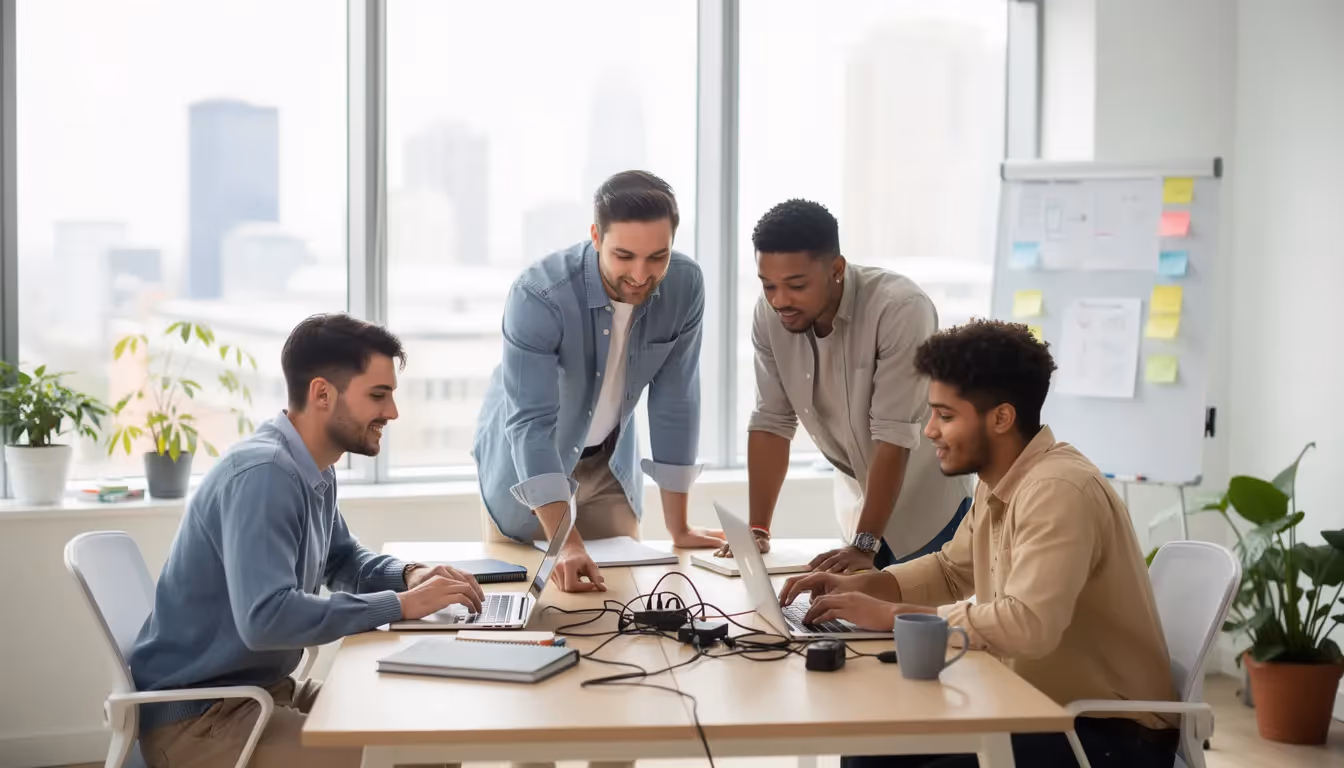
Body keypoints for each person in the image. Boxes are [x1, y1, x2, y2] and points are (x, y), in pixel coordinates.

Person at [779, 319, 1180, 767]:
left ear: (1002, 418)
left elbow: (1027, 624)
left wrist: (893, 616)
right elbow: (951, 569)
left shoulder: (1058, 490)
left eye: (946, 415)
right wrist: (864, 585)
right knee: (871, 753)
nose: (930, 430)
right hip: (1035, 705)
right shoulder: (1002, 479)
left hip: (1109, 734)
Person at [130, 314, 484, 768]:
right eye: (378, 395)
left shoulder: (311, 467)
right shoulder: (266, 475)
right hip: (201, 722)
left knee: (425, 731)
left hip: (259, 697)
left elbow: (342, 559)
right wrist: (400, 605)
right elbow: (267, 617)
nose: (392, 412)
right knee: (393, 752)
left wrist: (409, 576)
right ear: (322, 394)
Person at [474, 170, 723, 594]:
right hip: (530, 465)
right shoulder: (539, 294)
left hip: (610, 467)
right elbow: (529, 424)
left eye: (657, 257)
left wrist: (678, 526)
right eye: (624, 256)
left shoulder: (684, 285)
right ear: (595, 236)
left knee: (625, 602)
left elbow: (676, 400)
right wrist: (564, 543)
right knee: (538, 605)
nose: (641, 275)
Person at [720, 199, 973, 571]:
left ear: (836, 269)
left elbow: (893, 435)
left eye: (796, 285)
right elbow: (772, 422)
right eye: (768, 285)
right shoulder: (770, 314)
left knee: (915, 627)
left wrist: (864, 545)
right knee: (850, 625)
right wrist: (758, 530)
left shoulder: (900, 309)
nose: (779, 300)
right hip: (859, 514)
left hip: (928, 517)